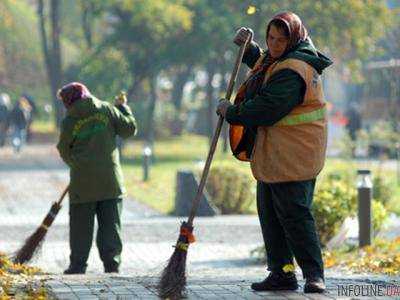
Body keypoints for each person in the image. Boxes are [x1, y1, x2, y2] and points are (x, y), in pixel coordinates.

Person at [217, 12, 332, 293]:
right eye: (271, 38)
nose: (275, 44)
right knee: (270, 213)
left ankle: (314, 275)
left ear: (293, 39)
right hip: (276, 153)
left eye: (281, 39)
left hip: (294, 155)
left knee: (294, 214)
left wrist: (232, 112)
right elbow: (264, 65)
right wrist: (250, 48)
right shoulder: (284, 58)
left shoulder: (294, 70)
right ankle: (282, 273)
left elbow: (267, 107)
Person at [57, 82, 137, 274]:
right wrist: (123, 108)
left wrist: (78, 165)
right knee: (110, 224)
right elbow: (129, 129)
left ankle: (77, 265)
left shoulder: (69, 120)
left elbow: (63, 148)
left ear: (68, 101)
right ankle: (112, 264)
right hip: (110, 179)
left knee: (80, 226)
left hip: (82, 182)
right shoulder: (107, 109)